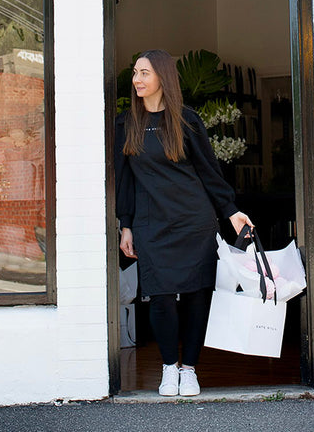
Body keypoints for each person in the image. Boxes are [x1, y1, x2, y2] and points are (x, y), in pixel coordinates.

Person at [116, 49, 251, 397]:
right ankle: (168, 368)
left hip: (193, 220)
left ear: (162, 77)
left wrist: (230, 210)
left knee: (194, 296)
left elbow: (208, 170)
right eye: (135, 73)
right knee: (159, 297)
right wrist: (126, 224)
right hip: (151, 225)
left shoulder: (186, 120)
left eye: (144, 73)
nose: (137, 80)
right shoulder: (126, 123)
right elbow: (124, 179)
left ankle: (189, 369)